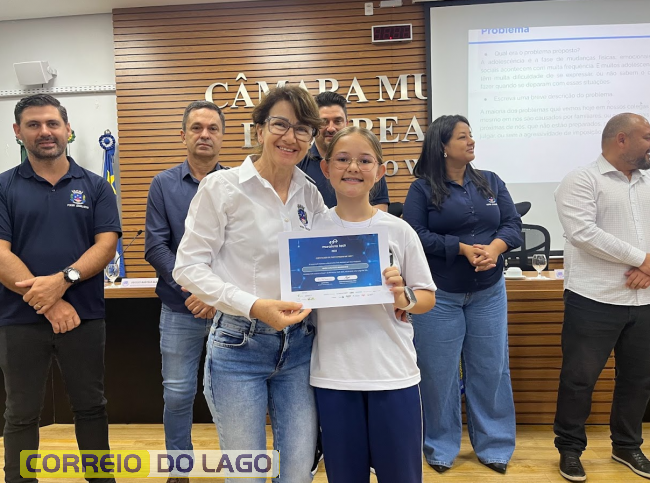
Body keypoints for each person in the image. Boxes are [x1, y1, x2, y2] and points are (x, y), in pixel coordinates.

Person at [172, 85, 326, 483]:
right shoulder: (222, 188)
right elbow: (188, 267)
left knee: (298, 474)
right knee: (247, 475)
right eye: (280, 124)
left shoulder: (310, 194)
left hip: (300, 348)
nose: (290, 137)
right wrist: (253, 305)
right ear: (259, 130)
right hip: (239, 346)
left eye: (302, 129)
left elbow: (327, 260)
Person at [0, 94, 121, 483]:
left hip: (84, 316)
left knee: (91, 407)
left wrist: (62, 281)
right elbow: (0, 254)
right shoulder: (3, 187)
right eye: (33, 125)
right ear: (18, 132)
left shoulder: (96, 187)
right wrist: (49, 303)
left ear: (68, 129)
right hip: (19, 319)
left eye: (52, 123)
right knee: (21, 413)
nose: (45, 132)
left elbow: (106, 246)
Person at [309, 126, 436, 482]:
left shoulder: (399, 230)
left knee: (401, 476)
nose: (353, 167)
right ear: (326, 168)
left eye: (364, 160)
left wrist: (404, 296)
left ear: (379, 172)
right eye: (342, 159)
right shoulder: (310, 232)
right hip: (334, 375)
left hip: (392, 373)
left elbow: (426, 297)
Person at [403, 114, 521, 474]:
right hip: (440, 295)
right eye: (462, 137)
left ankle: (495, 446)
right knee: (438, 373)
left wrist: (495, 248)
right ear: (442, 146)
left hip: (489, 292)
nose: (471, 142)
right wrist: (461, 248)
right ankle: (440, 446)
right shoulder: (422, 189)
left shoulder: (491, 181)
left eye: (471, 135)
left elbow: (512, 225)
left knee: (491, 368)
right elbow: (414, 234)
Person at [553, 113, 650, 482]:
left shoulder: (648, 181)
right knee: (579, 379)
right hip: (592, 298)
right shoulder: (582, 179)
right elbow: (583, 233)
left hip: (644, 299)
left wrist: (648, 268)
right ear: (621, 139)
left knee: (638, 379)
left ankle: (627, 446)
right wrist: (642, 259)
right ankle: (570, 449)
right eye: (647, 137)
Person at [144, 101, 227, 483]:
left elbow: (242, 250)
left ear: (222, 137)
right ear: (183, 135)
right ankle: (179, 468)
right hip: (180, 308)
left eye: (212, 128)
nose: (204, 134)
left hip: (229, 312)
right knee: (177, 394)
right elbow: (156, 246)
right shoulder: (163, 185)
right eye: (196, 128)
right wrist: (195, 288)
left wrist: (214, 294)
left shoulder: (237, 184)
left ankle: (240, 469)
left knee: (232, 395)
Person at [297, 91, 389, 210]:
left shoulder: (367, 164)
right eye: (324, 122)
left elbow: (379, 210)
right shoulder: (299, 163)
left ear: (346, 123)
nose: (331, 128)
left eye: (337, 121)